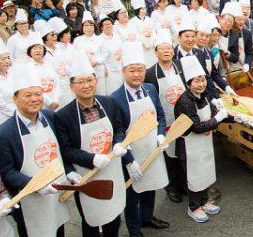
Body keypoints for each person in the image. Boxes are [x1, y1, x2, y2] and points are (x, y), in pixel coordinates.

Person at [55, 50, 131, 237]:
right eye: (80, 82)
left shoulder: (109, 103)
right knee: (91, 218)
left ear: (96, 81)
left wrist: (118, 143)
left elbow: (119, 128)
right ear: (71, 86)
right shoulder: (64, 115)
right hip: (85, 175)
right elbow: (66, 150)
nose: (86, 85)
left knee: (114, 213)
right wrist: (92, 158)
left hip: (112, 169)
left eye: (89, 80)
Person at [0, 63, 71, 237]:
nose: (35, 99)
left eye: (38, 94)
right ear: (15, 98)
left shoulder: (50, 117)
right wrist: (35, 185)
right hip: (29, 200)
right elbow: (6, 172)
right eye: (28, 95)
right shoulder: (4, 134)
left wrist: (69, 172)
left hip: (55, 194)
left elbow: (61, 151)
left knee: (58, 229)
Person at [111, 42, 170, 236]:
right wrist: (128, 161)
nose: (137, 75)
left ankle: (147, 217)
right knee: (132, 193)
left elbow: (160, 116)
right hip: (132, 154)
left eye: (140, 70)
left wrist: (161, 133)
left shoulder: (150, 89)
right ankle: (134, 229)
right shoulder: (115, 99)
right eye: (132, 70)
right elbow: (117, 133)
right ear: (123, 72)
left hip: (151, 149)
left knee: (151, 186)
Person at [174, 56, 240, 223]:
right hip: (189, 146)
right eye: (197, 81)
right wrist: (218, 119)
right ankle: (193, 207)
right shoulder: (185, 101)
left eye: (203, 80)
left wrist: (237, 119)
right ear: (188, 83)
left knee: (204, 173)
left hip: (203, 144)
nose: (201, 84)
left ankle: (203, 202)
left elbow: (215, 114)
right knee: (194, 177)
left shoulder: (202, 96)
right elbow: (196, 127)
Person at [144, 29, 187, 203]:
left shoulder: (181, 66)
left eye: (169, 48)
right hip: (164, 120)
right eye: (162, 49)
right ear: (156, 53)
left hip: (183, 117)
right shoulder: (149, 73)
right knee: (168, 154)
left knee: (183, 152)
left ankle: (184, 183)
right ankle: (171, 187)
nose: (167, 51)